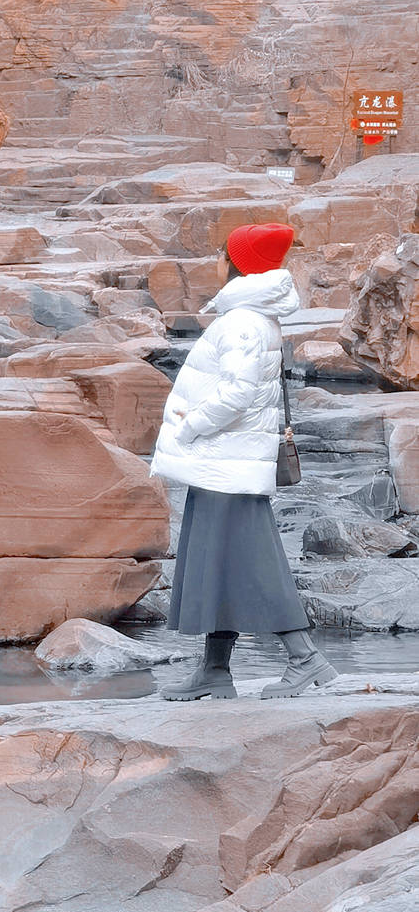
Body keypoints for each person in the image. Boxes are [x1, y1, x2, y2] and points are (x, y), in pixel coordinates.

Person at [149, 222, 338, 701]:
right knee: (221, 561)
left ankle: (305, 658)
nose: (217, 259)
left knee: (252, 560)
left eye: (222, 253)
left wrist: (190, 426)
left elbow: (236, 393)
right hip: (223, 462)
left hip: (224, 458)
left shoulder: (242, 322)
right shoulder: (251, 317)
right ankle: (214, 671)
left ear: (237, 263)